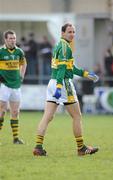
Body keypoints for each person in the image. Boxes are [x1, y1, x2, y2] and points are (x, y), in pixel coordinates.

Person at [33, 23, 99, 156]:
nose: (72, 34)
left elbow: (71, 68)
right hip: (62, 83)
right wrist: (59, 87)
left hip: (53, 82)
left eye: (74, 32)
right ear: (62, 33)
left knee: (47, 116)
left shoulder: (60, 45)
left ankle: (38, 147)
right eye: (69, 32)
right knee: (77, 116)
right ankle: (81, 148)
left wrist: (86, 74)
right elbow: (62, 69)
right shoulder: (65, 47)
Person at [0, 30, 27, 144]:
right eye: (10, 38)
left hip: (16, 85)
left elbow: (24, 63)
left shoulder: (19, 52)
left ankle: (15, 139)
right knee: (2, 111)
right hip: (4, 85)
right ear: (5, 39)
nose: (12, 40)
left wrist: (21, 76)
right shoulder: (1, 51)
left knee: (15, 112)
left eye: (14, 38)